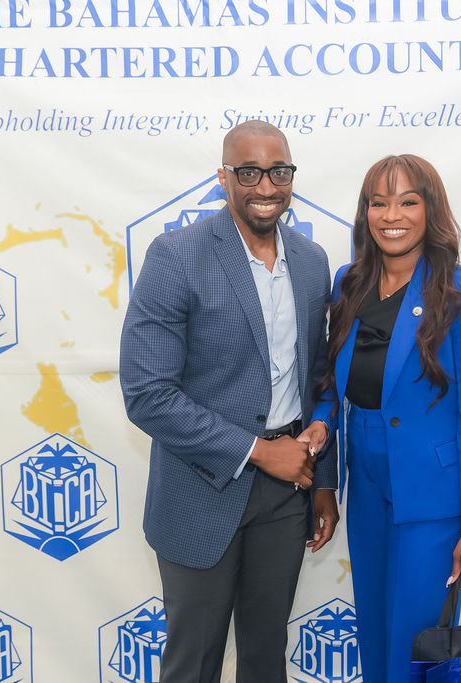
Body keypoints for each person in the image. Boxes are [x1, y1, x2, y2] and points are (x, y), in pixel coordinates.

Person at [120, 120, 339, 683]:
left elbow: (320, 378)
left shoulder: (312, 261)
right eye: (249, 173)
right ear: (223, 178)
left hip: (288, 493)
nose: (266, 187)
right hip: (200, 489)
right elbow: (147, 394)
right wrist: (260, 453)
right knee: (194, 663)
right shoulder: (176, 255)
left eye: (278, 172)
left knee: (266, 658)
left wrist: (322, 479)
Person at [297, 154, 461, 683]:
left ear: (430, 210)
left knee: (417, 640)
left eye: (408, 201)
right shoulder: (350, 282)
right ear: (365, 212)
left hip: (432, 493)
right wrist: (323, 425)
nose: (392, 215)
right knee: (374, 626)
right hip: (365, 483)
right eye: (379, 202)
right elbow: (334, 381)